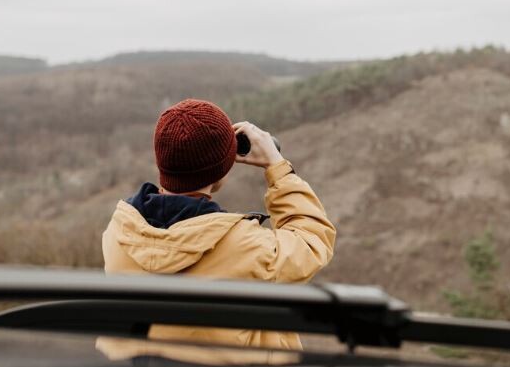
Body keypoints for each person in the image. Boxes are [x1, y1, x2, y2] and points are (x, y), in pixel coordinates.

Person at [99, 98, 336, 351]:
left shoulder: (119, 232)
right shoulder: (249, 248)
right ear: (224, 168)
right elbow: (312, 241)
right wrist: (277, 167)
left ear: (162, 159)